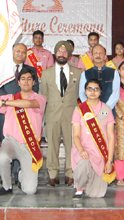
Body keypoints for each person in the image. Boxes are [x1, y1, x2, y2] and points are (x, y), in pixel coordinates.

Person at [0, 67, 47, 195]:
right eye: (23, 79)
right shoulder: (10, 97)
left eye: (29, 79)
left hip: (30, 145)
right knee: (2, 158)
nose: (26, 81)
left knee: (30, 191)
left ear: (34, 82)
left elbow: (28, 104)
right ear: (18, 82)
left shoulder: (40, 98)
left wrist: (4, 103)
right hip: (11, 142)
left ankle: (23, 175)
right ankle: (6, 186)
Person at [40, 41, 82, 186]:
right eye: (59, 51)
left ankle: (71, 173)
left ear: (69, 55)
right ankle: (53, 174)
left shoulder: (77, 73)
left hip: (71, 114)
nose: (62, 54)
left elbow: (79, 94)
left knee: (72, 145)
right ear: (55, 53)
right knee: (52, 145)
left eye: (65, 52)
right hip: (52, 114)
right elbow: (43, 95)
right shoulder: (46, 73)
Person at [71, 79, 116, 199]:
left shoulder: (107, 109)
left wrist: (109, 161)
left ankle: (89, 182)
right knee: (84, 162)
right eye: (89, 89)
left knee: (97, 195)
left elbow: (111, 137)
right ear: (85, 91)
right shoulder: (79, 109)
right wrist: (81, 150)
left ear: (100, 92)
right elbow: (76, 136)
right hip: (83, 150)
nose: (92, 92)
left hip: (100, 153)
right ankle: (79, 187)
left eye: (96, 89)